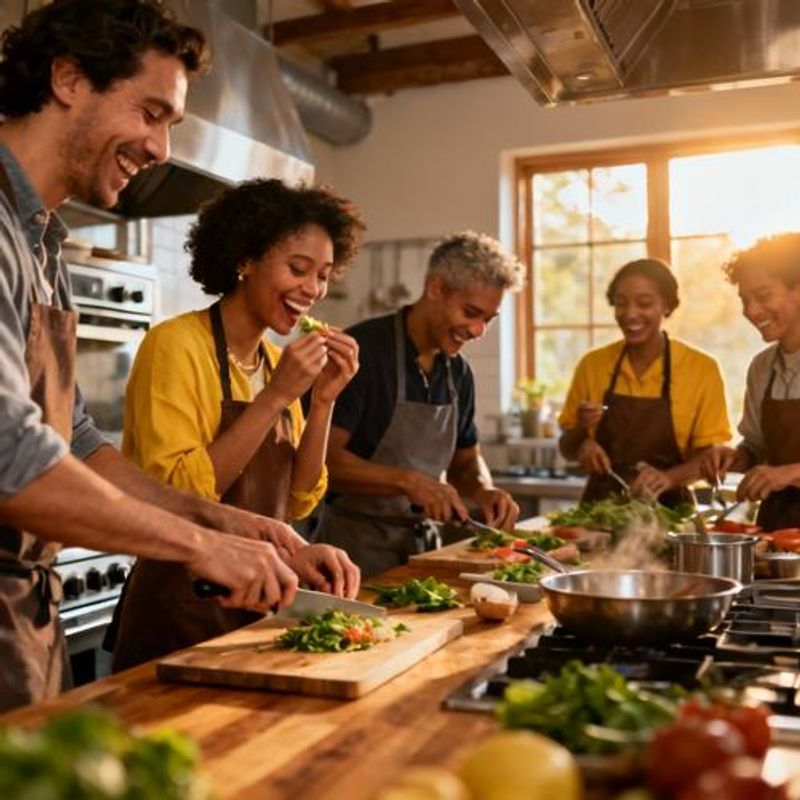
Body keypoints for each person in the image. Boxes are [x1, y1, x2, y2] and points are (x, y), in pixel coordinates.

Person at [0, 0, 305, 711]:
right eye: (151, 112)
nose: (162, 150)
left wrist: (222, 521)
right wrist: (196, 547)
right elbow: (12, 461)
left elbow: (75, 443)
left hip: (22, 618)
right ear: (70, 79)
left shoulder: (43, 244)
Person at [111, 179, 363, 668]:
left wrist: (325, 399)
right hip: (178, 609)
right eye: (298, 269)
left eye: (324, 276)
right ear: (245, 260)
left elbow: (297, 498)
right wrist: (275, 398)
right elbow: (181, 493)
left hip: (256, 608)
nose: (313, 290)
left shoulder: (274, 361)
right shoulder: (175, 346)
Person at [313, 231, 523, 577]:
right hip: (351, 552)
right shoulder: (360, 352)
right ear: (436, 289)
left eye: (488, 318)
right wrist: (409, 482)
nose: (478, 330)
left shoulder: (459, 373)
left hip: (424, 549)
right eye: (471, 312)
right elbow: (324, 462)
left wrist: (483, 490)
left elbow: (466, 460)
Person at [559, 258, 731, 506]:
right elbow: (566, 445)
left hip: (670, 513)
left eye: (644, 303)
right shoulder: (593, 364)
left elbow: (709, 457)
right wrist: (582, 440)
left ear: (667, 306)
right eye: (621, 303)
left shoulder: (702, 369)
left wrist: (669, 478)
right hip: (599, 512)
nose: (630, 313)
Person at [700, 234, 800, 530]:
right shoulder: (762, 368)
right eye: (745, 300)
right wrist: (733, 458)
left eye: (764, 295)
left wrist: (790, 473)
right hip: (776, 535)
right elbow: (756, 445)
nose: (752, 311)